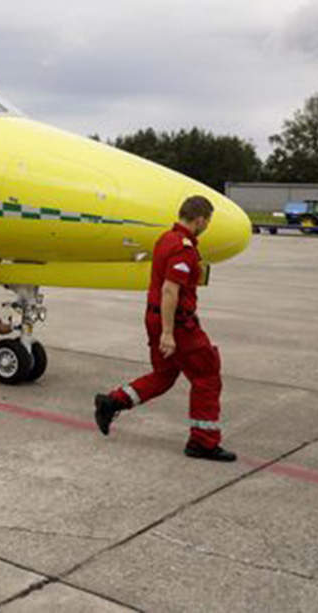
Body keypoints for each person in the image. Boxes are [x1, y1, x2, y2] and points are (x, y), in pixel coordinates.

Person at [94, 195, 236, 461]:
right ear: (201, 219)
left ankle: (112, 401)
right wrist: (168, 333)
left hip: (156, 316)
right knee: (207, 376)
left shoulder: (165, 239)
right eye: (208, 221)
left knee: (164, 374)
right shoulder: (183, 248)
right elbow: (170, 290)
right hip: (178, 323)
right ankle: (203, 442)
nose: (207, 225)